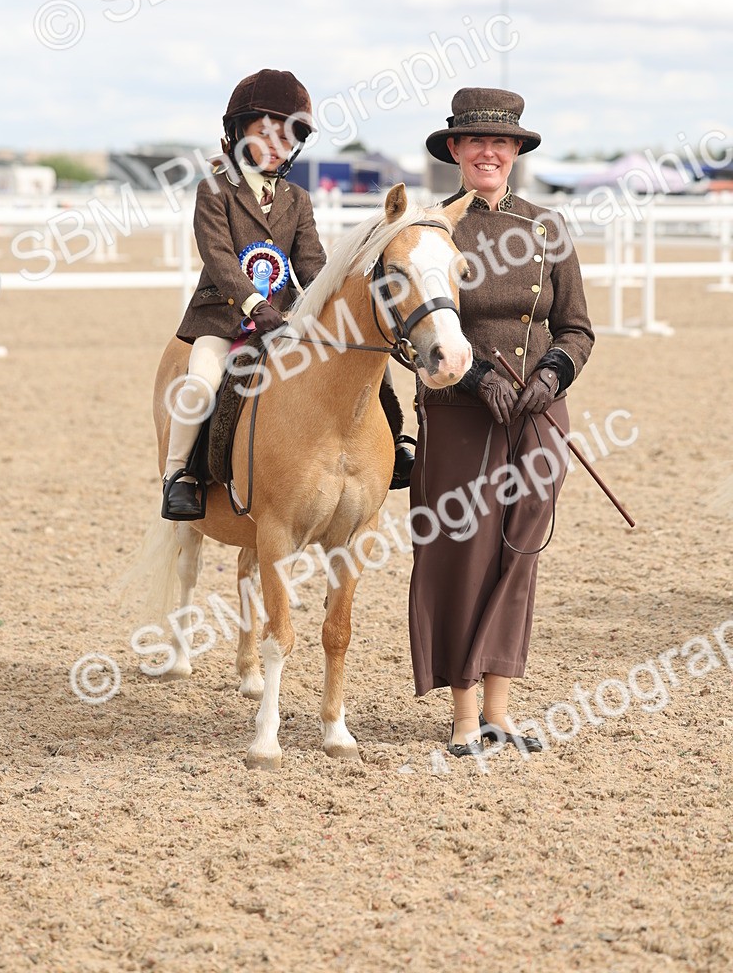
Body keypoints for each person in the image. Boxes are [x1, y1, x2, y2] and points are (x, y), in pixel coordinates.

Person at [408, 87, 595, 757]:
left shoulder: (550, 227)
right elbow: (412, 329)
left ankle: (500, 711)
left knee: (520, 551)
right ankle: (463, 716)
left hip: (538, 416)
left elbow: (576, 328)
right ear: (455, 149)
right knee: (465, 553)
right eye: (476, 141)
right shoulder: (433, 228)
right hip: (460, 413)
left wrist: (551, 376)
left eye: (502, 142)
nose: (489, 152)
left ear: (516, 150)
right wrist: (475, 376)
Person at [162, 68, 413, 520]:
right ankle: (179, 476)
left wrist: (333, 300)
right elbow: (218, 258)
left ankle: (395, 445)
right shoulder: (214, 190)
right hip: (223, 318)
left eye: (286, 138)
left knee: (367, 358)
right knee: (200, 383)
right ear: (237, 133)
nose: (276, 147)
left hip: (286, 317)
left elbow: (312, 262)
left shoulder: (296, 199)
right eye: (265, 134)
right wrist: (253, 304)